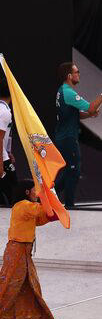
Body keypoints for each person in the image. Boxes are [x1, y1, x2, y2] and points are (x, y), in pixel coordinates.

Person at [0, 180, 58, 319]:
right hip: (17, 252)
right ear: (27, 192)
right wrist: (49, 194)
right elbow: (41, 210)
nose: (36, 193)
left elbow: (43, 217)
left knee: (29, 286)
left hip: (23, 252)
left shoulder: (26, 208)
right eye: (34, 190)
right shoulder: (23, 205)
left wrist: (51, 203)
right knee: (7, 286)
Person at [54, 62, 102, 209]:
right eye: (77, 72)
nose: (78, 74)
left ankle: (51, 197)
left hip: (64, 137)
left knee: (70, 169)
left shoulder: (62, 90)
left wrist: (89, 114)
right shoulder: (68, 92)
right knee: (74, 170)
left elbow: (78, 114)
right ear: (69, 76)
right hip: (68, 137)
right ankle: (68, 205)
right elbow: (92, 107)